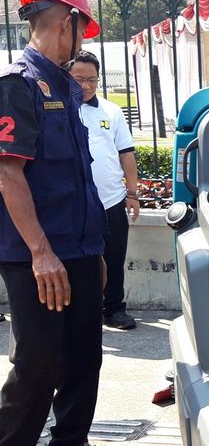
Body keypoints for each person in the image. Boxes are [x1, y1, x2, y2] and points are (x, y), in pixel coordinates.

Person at [0, 0, 106, 445]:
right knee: (38, 366)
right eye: (82, 30)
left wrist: (93, 251)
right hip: (36, 257)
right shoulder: (17, 84)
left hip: (79, 251)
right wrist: (42, 254)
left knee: (84, 361)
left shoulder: (64, 85)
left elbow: (77, 178)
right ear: (69, 23)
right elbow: (8, 174)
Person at [71, 51, 139, 330]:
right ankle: (79, 312)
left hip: (111, 198)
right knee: (77, 259)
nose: (85, 85)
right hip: (73, 201)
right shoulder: (59, 108)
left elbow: (126, 153)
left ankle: (113, 309)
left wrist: (132, 193)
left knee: (114, 255)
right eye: (79, 79)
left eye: (91, 80)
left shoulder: (111, 111)